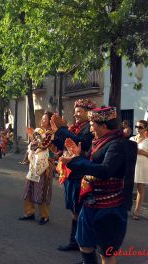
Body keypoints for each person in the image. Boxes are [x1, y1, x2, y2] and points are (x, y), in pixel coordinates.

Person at [61, 106, 137, 264]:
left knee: (106, 252)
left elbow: (105, 170)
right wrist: (79, 154)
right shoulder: (99, 142)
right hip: (90, 202)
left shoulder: (116, 144)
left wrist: (76, 161)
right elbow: (90, 162)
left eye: (93, 126)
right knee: (84, 243)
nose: (90, 130)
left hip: (109, 206)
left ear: (103, 126)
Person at [50, 98, 96, 251]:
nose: (76, 114)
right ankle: (76, 241)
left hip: (80, 175)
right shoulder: (75, 127)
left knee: (79, 211)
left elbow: (80, 142)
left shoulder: (89, 129)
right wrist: (55, 134)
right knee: (74, 210)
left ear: (88, 113)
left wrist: (62, 129)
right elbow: (64, 144)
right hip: (71, 174)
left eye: (79, 111)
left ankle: (81, 243)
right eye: (75, 111)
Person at [19, 111, 54, 225]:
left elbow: (44, 145)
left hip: (45, 166)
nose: (42, 121)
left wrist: (35, 140)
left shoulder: (51, 133)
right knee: (29, 186)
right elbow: (34, 145)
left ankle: (45, 215)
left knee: (43, 189)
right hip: (34, 163)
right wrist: (33, 138)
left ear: (50, 121)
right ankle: (29, 211)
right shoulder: (39, 131)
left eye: (45, 119)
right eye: (42, 119)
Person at [130, 120, 148, 220]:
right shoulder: (132, 138)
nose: (137, 128)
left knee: (140, 188)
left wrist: (142, 152)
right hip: (132, 164)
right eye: (136, 126)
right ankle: (125, 207)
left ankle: (137, 210)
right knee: (127, 186)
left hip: (142, 165)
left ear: (146, 129)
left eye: (140, 127)